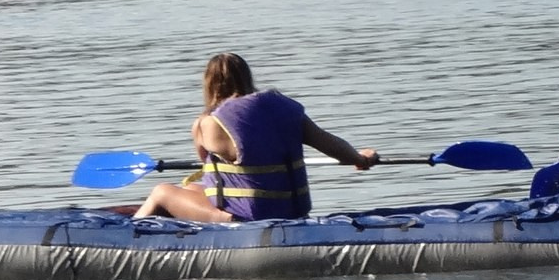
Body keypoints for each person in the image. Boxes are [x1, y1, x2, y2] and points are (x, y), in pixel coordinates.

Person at [134, 53, 378, 224]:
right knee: (190, 187)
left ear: (210, 84)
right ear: (247, 77)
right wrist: (359, 158)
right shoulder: (285, 108)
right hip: (293, 211)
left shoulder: (207, 123)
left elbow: (206, 164)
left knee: (162, 191)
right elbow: (331, 144)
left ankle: (128, 237)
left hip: (246, 218)